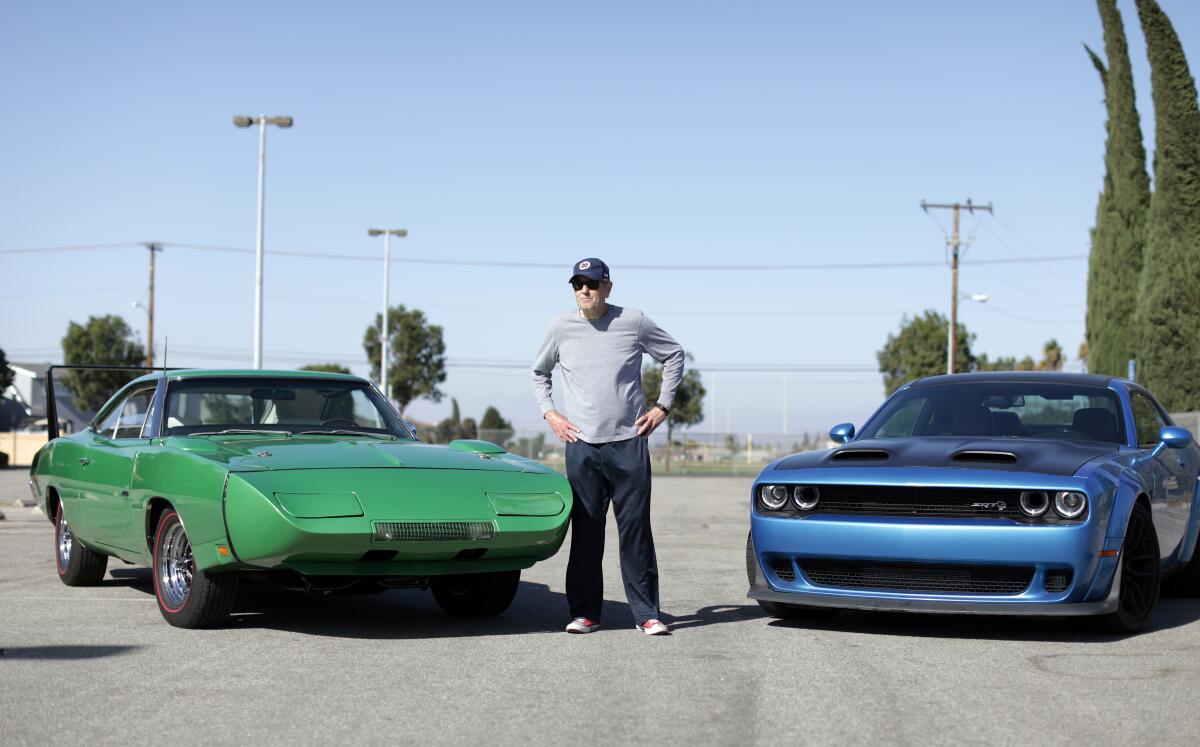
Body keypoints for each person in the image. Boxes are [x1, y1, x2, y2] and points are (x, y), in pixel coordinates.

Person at [532, 258, 685, 635]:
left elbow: (674, 355)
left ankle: (647, 613)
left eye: (593, 283)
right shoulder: (560, 328)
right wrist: (551, 414)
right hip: (582, 446)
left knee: (635, 532)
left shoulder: (633, 322)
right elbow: (539, 373)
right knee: (586, 533)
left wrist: (662, 407)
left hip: (628, 444)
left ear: (608, 287)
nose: (585, 290)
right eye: (578, 284)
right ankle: (585, 613)